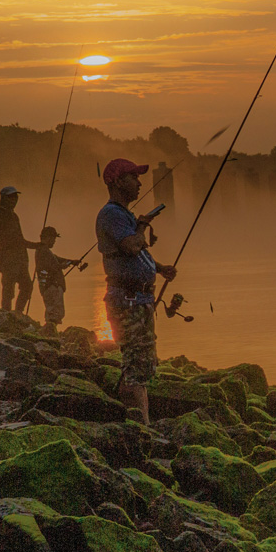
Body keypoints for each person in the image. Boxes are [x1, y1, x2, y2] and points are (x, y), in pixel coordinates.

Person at [96, 158, 176, 424]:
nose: (140, 182)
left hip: (139, 300)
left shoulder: (124, 215)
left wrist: (160, 268)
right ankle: (139, 428)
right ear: (117, 182)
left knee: (141, 364)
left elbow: (135, 255)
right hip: (128, 301)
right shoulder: (111, 214)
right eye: (133, 177)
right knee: (136, 367)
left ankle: (136, 422)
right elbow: (131, 246)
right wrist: (142, 226)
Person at [0, 186, 40, 313]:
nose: (14, 200)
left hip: (18, 258)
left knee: (26, 287)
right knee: (9, 289)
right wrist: (36, 245)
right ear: (3, 198)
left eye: (15, 197)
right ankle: (7, 314)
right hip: (8, 258)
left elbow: (19, 239)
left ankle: (17, 314)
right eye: (11, 197)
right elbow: (15, 240)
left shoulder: (12, 215)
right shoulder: (2, 216)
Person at [35, 225, 86, 334]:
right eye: (53, 239)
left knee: (54, 311)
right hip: (51, 286)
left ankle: (51, 331)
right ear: (47, 237)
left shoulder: (45, 251)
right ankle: (50, 332)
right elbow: (56, 265)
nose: (54, 242)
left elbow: (57, 259)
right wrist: (68, 263)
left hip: (51, 285)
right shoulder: (43, 251)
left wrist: (71, 261)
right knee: (54, 312)